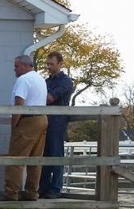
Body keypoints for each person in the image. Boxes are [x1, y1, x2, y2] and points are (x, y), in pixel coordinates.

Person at [0, 55, 48, 201]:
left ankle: (11, 192)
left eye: (16, 66)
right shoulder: (39, 78)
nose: (14, 69)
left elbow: (19, 103)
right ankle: (32, 192)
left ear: (25, 66)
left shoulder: (23, 80)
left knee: (16, 157)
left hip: (28, 120)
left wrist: (14, 125)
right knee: (35, 159)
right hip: (42, 118)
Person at [39, 51, 74, 199]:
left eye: (51, 64)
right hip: (45, 121)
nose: (48, 66)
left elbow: (49, 98)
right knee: (44, 154)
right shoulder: (46, 82)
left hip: (57, 121)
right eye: (47, 64)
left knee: (56, 153)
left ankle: (55, 188)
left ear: (60, 64)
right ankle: (44, 187)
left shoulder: (66, 81)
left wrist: (39, 97)